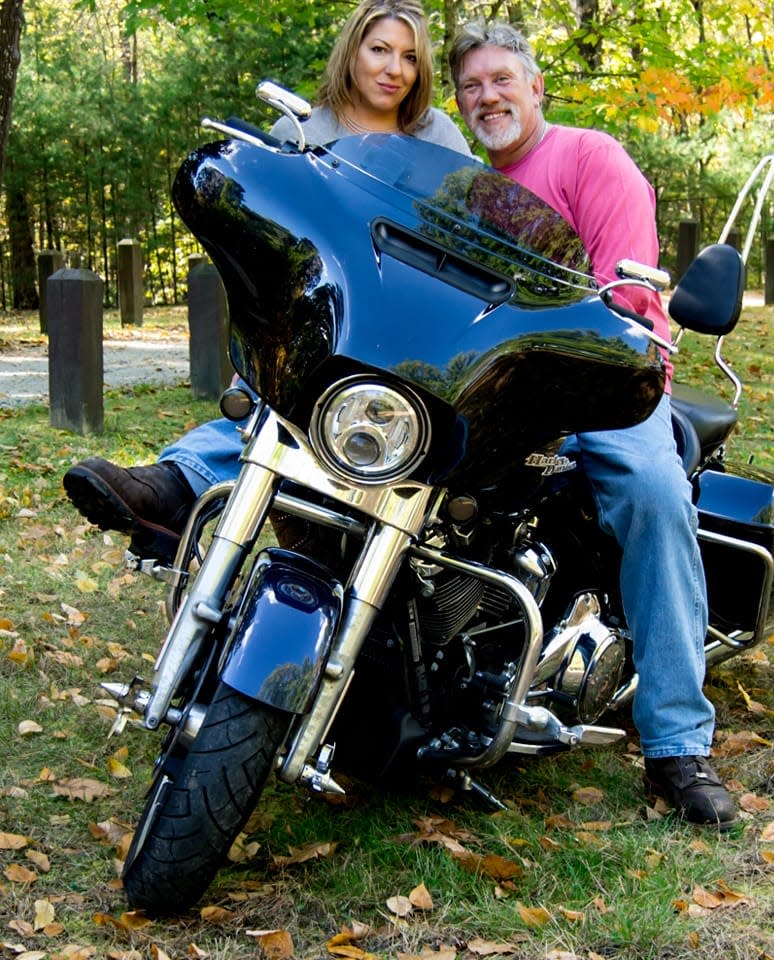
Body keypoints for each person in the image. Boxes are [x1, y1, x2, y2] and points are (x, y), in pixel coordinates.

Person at [64, 19, 736, 829]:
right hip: (474, 384)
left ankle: (676, 744)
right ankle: (205, 515)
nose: (488, 95)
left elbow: (631, 302)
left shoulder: (593, 159)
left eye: (503, 79)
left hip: (591, 388)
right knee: (319, 407)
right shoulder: (454, 177)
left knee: (655, 494)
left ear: (536, 87)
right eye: (473, 85)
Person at [63, 0, 471, 562]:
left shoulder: (437, 137)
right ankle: (173, 487)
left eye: (408, 57)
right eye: (379, 50)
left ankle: (181, 491)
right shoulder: (305, 126)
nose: (393, 69)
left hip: (406, 329)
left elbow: (468, 237)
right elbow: (266, 245)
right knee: (269, 407)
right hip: (319, 318)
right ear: (352, 50)